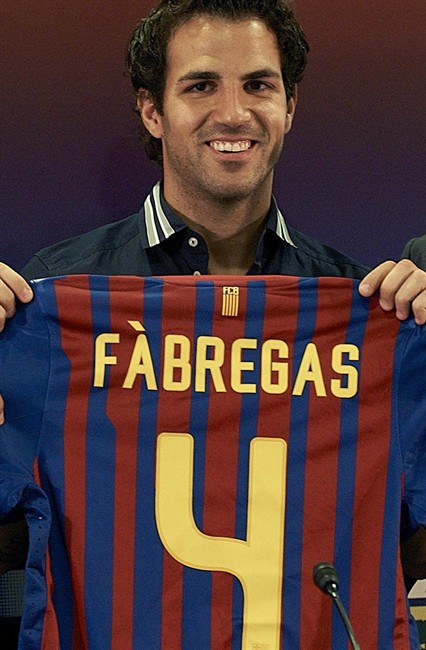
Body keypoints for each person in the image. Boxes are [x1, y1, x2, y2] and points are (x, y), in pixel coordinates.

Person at [0, 0, 425, 645]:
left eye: (259, 85)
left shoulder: (366, 309)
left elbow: (404, 540)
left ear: (289, 107)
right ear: (152, 110)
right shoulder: (52, 306)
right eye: (201, 85)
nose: (234, 113)